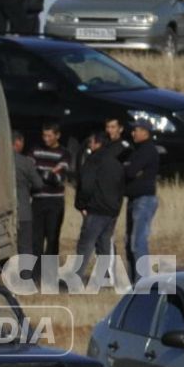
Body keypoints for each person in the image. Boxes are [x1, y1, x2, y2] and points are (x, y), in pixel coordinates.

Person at [74, 130, 123, 283]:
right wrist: (116, 208)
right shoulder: (116, 163)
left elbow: (86, 186)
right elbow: (121, 187)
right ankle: (105, 278)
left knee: (85, 246)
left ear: (98, 143)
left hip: (96, 210)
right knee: (104, 245)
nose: (89, 145)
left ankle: (75, 278)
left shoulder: (93, 161)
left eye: (91, 142)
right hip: (112, 211)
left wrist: (81, 204)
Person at [121, 119, 160, 280]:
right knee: (130, 242)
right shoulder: (136, 150)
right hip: (133, 199)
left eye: (136, 130)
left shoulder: (147, 150)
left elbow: (130, 171)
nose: (132, 133)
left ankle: (143, 282)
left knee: (138, 242)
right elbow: (130, 170)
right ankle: (134, 282)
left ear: (145, 132)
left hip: (144, 200)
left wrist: (129, 169)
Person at [30, 124, 69, 267]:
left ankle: (49, 274)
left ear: (57, 135)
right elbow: (29, 172)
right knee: (36, 239)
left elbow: (59, 179)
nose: (46, 139)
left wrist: (39, 172)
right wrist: (49, 173)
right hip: (37, 201)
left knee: (52, 239)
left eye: (49, 136)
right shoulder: (35, 150)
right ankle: (36, 273)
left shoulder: (64, 153)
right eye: (44, 135)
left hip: (55, 202)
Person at [11, 131, 39, 261]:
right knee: (25, 248)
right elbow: (38, 184)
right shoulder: (25, 162)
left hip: (2, 214)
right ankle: (25, 278)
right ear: (18, 142)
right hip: (23, 212)